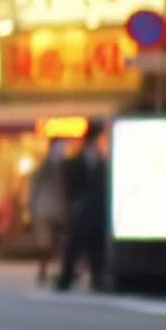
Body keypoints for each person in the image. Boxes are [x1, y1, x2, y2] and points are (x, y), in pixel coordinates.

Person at [56, 121, 109, 292]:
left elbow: (68, 187)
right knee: (82, 243)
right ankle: (79, 277)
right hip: (87, 206)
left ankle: (85, 277)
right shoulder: (94, 160)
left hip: (87, 207)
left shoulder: (91, 159)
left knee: (83, 244)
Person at [30, 138, 71, 286]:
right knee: (44, 244)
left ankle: (58, 270)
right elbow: (34, 188)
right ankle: (43, 270)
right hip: (45, 209)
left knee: (59, 242)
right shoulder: (44, 166)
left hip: (59, 210)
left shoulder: (65, 166)